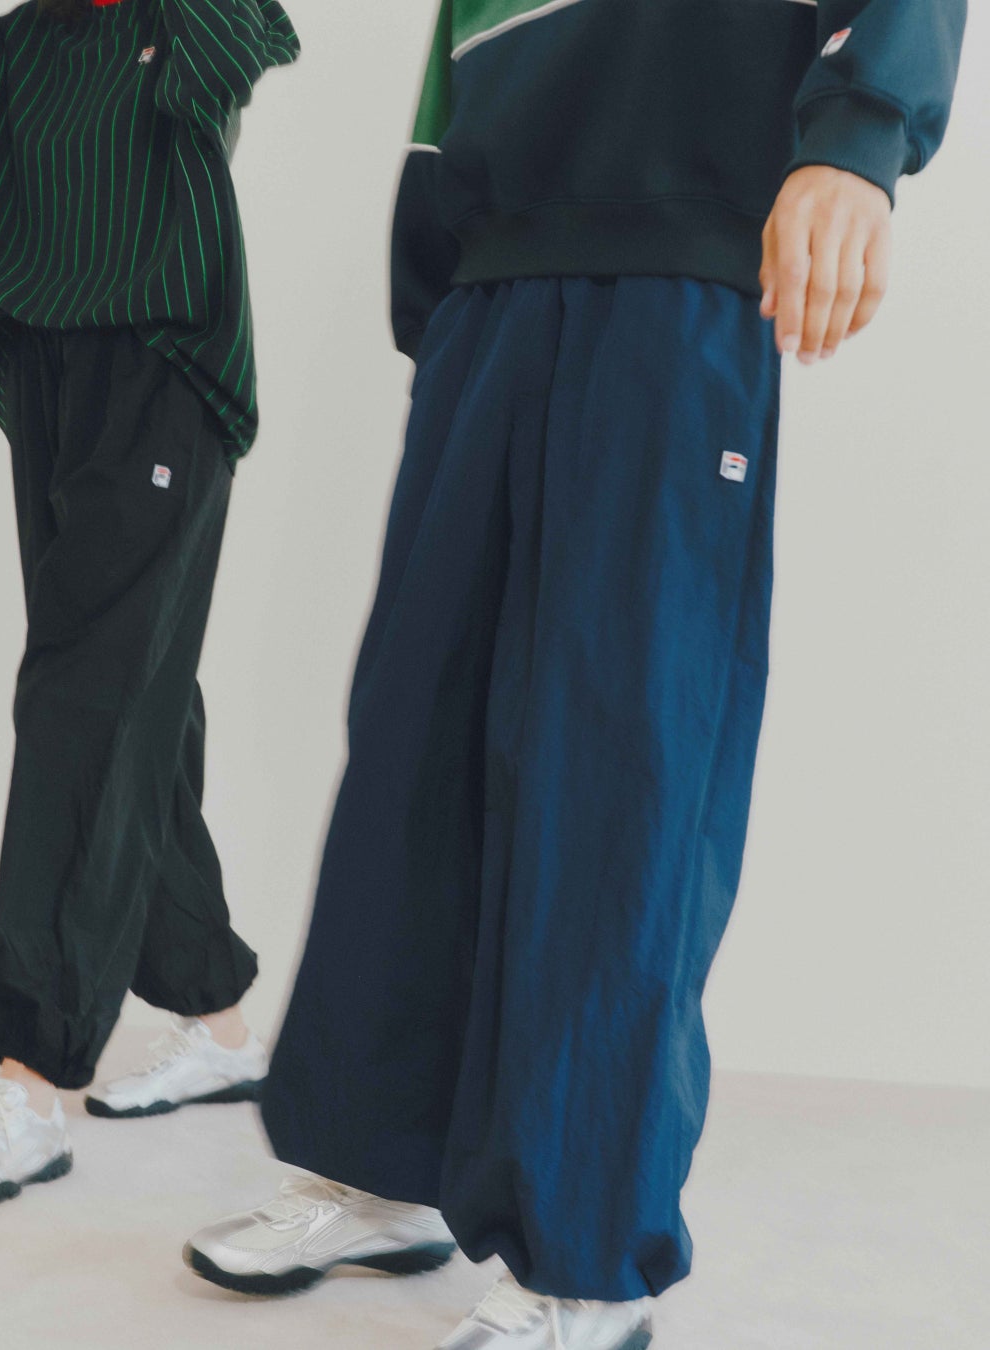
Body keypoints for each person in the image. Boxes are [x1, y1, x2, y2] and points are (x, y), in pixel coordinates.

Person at [183, 0, 966, 1345]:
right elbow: (453, 73)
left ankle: (584, 1251)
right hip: (492, 291)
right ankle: (380, 1164)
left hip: (678, 274)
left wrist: (861, 134)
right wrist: (435, 284)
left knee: (615, 759)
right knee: (412, 745)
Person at [0, 0, 298, 1209]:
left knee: (83, 696)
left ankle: (29, 1073)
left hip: (161, 375)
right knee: (131, 693)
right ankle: (217, 1019)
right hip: (42, 373)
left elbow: (229, 62)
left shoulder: (185, 25)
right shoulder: (17, 48)